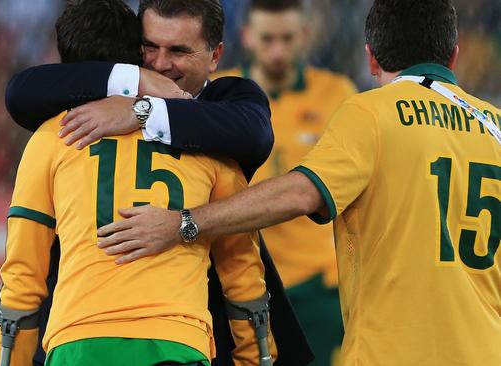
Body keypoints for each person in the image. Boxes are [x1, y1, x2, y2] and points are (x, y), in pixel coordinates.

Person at [95, 0, 501, 365]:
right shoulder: (496, 127)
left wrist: (183, 223)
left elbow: (302, 192)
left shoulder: (370, 111)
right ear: (453, 55)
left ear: (371, 58)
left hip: (392, 350)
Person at [3, 1, 313, 365]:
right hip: (170, 337)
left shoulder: (226, 110)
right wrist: (135, 83)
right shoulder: (90, 115)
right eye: (150, 47)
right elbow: (20, 91)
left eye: (179, 51)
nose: (161, 63)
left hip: (107, 335)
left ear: (216, 56)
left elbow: (255, 132)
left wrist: (140, 111)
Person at [213, 1, 356, 364]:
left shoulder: (337, 94)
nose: (277, 50)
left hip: (318, 283)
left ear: (304, 36)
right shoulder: (219, 93)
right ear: (247, 37)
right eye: (267, 39)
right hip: (242, 275)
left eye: (287, 38)